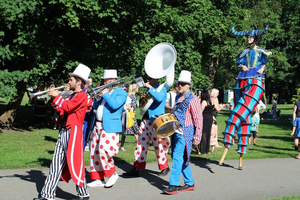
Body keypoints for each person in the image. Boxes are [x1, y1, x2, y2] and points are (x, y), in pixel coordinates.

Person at [34, 64, 91, 200]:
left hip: (74, 132)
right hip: (64, 130)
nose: (68, 81)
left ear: (79, 82)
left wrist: (58, 96)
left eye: (71, 79)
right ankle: (47, 194)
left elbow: (68, 107)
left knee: (76, 162)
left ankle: (83, 193)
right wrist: (53, 98)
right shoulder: (71, 95)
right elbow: (61, 109)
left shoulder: (82, 95)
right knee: (56, 163)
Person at [220, 25, 272, 168]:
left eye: (251, 37)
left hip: (255, 80)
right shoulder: (244, 52)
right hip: (242, 80)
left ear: (255, 38)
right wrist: (241, 67)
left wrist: (262, 69)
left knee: (244, 108)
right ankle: (240, 145)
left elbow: (263, 65)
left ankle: (230, 133)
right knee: (243, 111)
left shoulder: (261, 51)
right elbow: (239, 63)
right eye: (247, 37)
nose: (249, 39)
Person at [163, 70, 202, 195]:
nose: (180, 85)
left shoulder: (193, 99)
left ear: (189, 85)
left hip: (186, 132)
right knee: (182, 157)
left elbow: (198, 119)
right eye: (179, 83)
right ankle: (189, 183)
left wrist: (198, 136)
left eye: (183, 83)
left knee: (177, 157)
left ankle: (173, 185)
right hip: (176, 131)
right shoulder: (178, 97)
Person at [123, 75, 170, 177]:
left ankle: (164, 167)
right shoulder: (150, 90)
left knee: (158, 145)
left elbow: (159, 98)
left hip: (156, 121)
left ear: (156, 79)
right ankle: (136, 167)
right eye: (147, 79)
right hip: (146, 120)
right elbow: (143, 106)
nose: (147, 81)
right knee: (141, 144)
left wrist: (149, 87)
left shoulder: (162, 89)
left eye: (150, 79)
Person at [87, 69, 127, 188]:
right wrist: (97, 98)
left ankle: (112, 173)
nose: (104, 82)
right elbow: (95, 107)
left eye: (106, 80)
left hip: (109, 126)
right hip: (97, 125)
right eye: (104, 80)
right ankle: (98, 178)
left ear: (113, 80)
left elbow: (115, 105)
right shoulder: (105, 92)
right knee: (94, 151)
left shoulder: (121, 92)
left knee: (105, 151)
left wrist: (105, 94)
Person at [199, 89, 214, 155]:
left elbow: (201, 111)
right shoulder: (210, 101)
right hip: (210, 117)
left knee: (204, 133)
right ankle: (208, 150)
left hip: (205, 117)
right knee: (208, 133)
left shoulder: (204, 102)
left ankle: (204, 150)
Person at [120, 85, 131, 151]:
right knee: (117, 130)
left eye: (125, 90)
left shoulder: (128, 98)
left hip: (125, 114)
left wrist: (127, 107)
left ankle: (122, 146)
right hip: (119, 114)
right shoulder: (119, 97)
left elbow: (129, 107)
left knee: (124, 131)